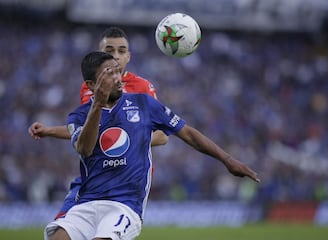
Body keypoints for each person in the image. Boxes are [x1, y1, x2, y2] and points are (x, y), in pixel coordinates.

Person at [45, 51, 260, 240]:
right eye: (108, 74)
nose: (117, 78)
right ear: (91, 85)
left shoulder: (143, 104)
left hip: (124, 205)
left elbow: (188, 133)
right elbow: (84, 148)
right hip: (86, 204)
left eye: (117, 71)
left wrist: (227, 160)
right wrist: (98, 105)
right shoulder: (78, 116)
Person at [28, 27, 168, 219]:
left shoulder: (143, 87)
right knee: (61, 226)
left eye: (121, 51)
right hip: (96, 170)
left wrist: (128, 140)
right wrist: (48, 130)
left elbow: (162, 136)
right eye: (109, 50)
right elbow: (88, 131)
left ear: (129, 56)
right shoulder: (88, 87)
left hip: (126, 174)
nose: (116, 56)